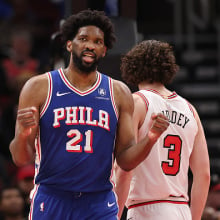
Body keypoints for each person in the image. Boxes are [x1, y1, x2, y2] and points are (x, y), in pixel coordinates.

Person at [9, 10, 169, 220]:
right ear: (69, 44)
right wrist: (23, 134)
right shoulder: (39, 87)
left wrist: (150, 138)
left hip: (99, 201)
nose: (90, 45)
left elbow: (126, 161)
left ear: (104, 50)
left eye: (97, 41)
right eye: (83, 39)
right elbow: (21, 158)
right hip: (52, 196)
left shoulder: (118, 92)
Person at [114, 40, 210, 220]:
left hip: (146, 209)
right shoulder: (190, 109)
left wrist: (114, 215)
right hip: (181, 210)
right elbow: (203, 175)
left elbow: (124, 168)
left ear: (132, 68)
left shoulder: (137, 102)